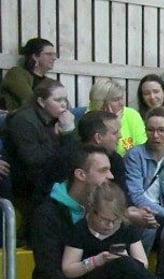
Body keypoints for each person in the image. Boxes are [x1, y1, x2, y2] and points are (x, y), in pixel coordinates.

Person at [4, 79, 77, 212]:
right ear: (41, 102)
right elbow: (33, 159)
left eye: (65, 99)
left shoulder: (59, 118)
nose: (64, 104)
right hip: (26, 184)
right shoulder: (23, 120)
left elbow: (73, 153)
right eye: (58, 100)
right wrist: (57, 137)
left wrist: (69, 131)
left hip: (51, 177)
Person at [125, 107, 164, 250]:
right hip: (139, 210)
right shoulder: (135, 155)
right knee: (149, 227)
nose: (155, 135)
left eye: (162, 130)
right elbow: (136, 196)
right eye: (150, 130)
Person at [89, 78, 147, 156]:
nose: (122, 103)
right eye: (116, 100)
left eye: (122, 98)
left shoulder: (132, 115)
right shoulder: (90, 119)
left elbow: (142, 149)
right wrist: (113, 124)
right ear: (102, 103)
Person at [1, 38, 57, 110]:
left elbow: (64, 104)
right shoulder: (17, 74)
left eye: (54, 54)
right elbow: (29, 99)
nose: (54, 58)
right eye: (49, 54)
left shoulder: (51, 82)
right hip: (20, 115)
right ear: (35, 57)